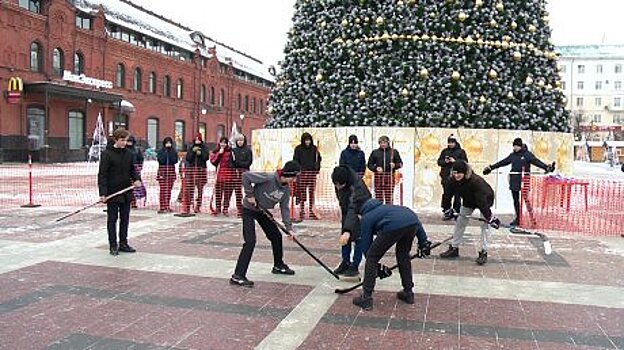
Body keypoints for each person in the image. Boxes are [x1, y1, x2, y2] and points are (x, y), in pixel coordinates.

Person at [339, 199, 431, 311]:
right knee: (403, 256)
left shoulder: (366, 218)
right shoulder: (386, 208)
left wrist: (376, 267)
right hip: (411, 222)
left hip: (392, 227)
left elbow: (367, 248)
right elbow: (415, 220)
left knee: (372, 258)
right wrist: (424, 243)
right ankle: (408, 292)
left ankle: (366, 297)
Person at [230, 161, 301, 287]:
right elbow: (245, 176)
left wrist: (289, 229)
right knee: (250, 242)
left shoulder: (285, 189)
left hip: (262, 211)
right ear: (288, 174)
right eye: (294, 177)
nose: (295, 180)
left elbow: (284, 208)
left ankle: (278, 265)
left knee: (276, 236)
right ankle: (238, 275)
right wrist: (250, 194)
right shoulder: (268, 178)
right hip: (249, 209)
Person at [483, 138, 554, 227]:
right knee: (515, 200)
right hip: (514, 180)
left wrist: (546, 167)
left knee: (526, 199)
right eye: (514, 146)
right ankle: (518, 218)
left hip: (524, 180)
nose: (515, 148)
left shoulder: (527, 155)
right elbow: (503, 162)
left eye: (517, 146)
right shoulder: (513, 155)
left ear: (520, 146)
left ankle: (532, 218)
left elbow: (536, 162)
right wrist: (491, 167)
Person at [440, 160, 500, 265]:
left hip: (485, 198)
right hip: (468, 200)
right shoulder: (452, 180)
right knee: (460, 222)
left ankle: (483, 251)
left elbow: (482, 202)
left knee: (485, 225)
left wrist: (490, 217)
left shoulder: (476, 182)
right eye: (455, 173)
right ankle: (454, 248)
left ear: (464, 173)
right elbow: (447, 195)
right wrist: (447, 209)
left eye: (459, 173)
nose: (457, 175)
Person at [98, 128, 142, 256]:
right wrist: (103, 193)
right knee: (112, 219)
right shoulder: (107, 154)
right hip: (113, 192)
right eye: (122, 140)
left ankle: (123, 243)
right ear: (116, 140)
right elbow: (102, 175)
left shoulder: (129, 154)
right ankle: (113, 244)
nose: (124, 143)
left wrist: (136, 179)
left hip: (126, 191)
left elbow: (132, 171)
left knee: (125, 218)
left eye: (126, 140)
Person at [331, 165, 372, 278]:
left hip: (359, 211)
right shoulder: (338, 178)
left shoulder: (357, 187)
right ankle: (345, 262)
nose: (337, 187)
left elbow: (354, 207)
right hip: (347, 211)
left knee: (358, 238)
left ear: (346, 182)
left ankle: (355, 265)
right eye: (336, 184)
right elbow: (342, 199)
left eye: (340, 185)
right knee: (344, 239)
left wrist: (348, 230)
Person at [437, 134, 468, 219]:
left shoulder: (461, 152)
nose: (450, 144)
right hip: (446, 177)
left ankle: (456, 212)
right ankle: (446, 210)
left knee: (457, 196)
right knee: (446, 195)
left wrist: (455, 161)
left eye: (452, 143)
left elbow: (465, 163)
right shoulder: (444, 151)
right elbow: (439, 162)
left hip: (458, 178)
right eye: (449, 143)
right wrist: (445, 161)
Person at [293, 132, 322, 220]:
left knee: (311, 193)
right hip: (302, 173)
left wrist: (317, 167)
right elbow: (295, 160)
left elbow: (319, 159)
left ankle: (311, 210)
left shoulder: (314, 149)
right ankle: (302, 210)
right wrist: (298, 170)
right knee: (302, 192)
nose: (307, 142)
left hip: (312, 173)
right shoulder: (298, 149)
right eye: (306, 140)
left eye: (309, 140)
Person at [367, 135, 403, 204]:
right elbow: (369, 164)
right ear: (379, 143)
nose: (383, 144)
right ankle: (380, 212)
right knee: (378, 197)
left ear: (388, 143)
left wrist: (395, 165)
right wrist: (376, 168)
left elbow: (400, 164)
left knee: (389, 197)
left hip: (389, 177)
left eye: (385, 142)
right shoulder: (375, 152)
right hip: (378, 178)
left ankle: (389, 211)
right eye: (381, 143)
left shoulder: (394, 152)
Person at [183, 133, 209, 213]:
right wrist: (193, 152)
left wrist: (201, 154)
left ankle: (198, 205)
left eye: (199, 140)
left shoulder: (204, 148)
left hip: (201, 169)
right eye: (196, 139)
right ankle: (189, 204)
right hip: (192, 169)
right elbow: (188, 158)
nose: (197, 141)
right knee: (190, 188)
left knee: (200, 189)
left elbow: (206, 158)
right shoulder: (191, 148)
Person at [229, 134, 253, 217]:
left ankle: (248, 208)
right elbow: (231, 162)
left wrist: (240, 164)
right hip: (236, 173)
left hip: (245, 173)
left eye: (241, 140)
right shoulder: (233, 150)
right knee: (238, 192)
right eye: (238, 140)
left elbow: (249, 162)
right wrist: (236, 165)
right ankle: (239, 209)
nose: (240, 142)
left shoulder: (248, 150)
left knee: (247, 191)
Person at [210, 136, 234, 216]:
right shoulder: (216, 151)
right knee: (218, 192)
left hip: (228, 174)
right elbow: (213, 162)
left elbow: (233, 162)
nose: (223, 144)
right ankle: (218, 207)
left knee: (227, 192)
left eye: (224, 142)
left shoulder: (230, 152)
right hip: (219, 174)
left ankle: (225, 208)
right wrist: (219, 154)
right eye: (221, 142)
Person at [156, 136, 178, 213]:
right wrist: (166, 153)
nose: (168, 144)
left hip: (171, 171)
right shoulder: (161, 151)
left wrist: (170, 152)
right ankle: (162, 206)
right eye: (167, 143)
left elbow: (175, 160)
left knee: (169, 190)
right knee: (162, 189)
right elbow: (160, 160)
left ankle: (167, 205)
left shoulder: (173, 151)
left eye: (169, 143)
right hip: (163, 171)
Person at [126, 135, 145, 208]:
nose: (129, 143)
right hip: (126, 170)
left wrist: (139, 167)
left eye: (131, 141)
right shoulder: (124, 150)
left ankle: (134, 202)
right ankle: (129, 201)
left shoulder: (136, 150)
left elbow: (141, 159)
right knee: (127, 187)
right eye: (128, 141)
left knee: (135, 187)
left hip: (135, 169)